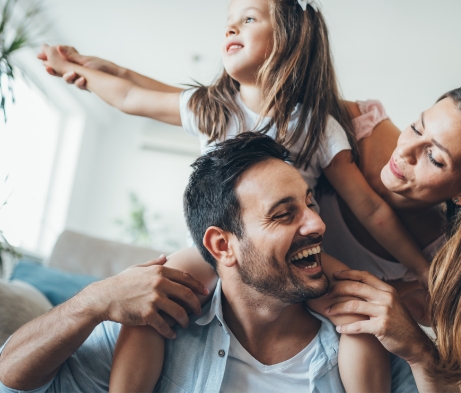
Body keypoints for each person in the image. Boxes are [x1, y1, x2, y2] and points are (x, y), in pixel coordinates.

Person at [37, 0, 432, 391]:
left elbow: (369, 207)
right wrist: (78, 70)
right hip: (213, 248)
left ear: (289, 41)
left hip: (292, 255)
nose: (230, 28)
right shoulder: (213, 107)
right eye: (229, 21)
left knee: (357, 311)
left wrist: (423, 269)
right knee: (154, 305)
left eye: (247, 19)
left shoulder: (317, 125)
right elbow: (128, 96)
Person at [0, 133, 461, 392]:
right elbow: (12, 378)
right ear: (222, 245)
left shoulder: (366, 335)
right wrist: (92, 301)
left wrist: (424, 355)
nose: (316, 224)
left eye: (310, 204)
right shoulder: (157, 319)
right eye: (284, 214)